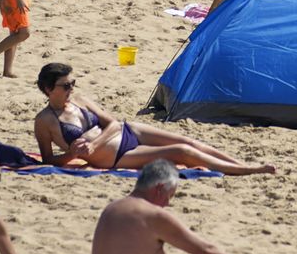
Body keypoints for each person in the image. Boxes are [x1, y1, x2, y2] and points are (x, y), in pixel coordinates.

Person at [35, 63, 271, 176]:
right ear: (48, 89)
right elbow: (47, 159)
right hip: (116, 157)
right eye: (66, 85)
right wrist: (72, 155)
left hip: (127, 132)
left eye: (72, 83)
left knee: (188, 141)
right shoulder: (45, 121)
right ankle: (244, 171)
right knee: (182, 152)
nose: (71, 89)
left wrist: (94, 144)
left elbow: (114, 123)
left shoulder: (80, 100)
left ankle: (240, 164)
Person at [90, 160, 251, 254]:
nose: (167, 203)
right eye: (170, 195)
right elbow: (208, 251)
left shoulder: (112, 208)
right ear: (159, 188)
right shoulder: (152, 216)